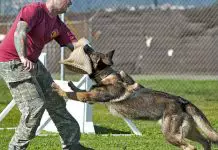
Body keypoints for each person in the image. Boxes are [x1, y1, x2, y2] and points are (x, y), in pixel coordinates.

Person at [0, 0, 90, 149]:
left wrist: (93, 56)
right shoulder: (34, 10)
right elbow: (19, 32)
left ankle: (72, 145)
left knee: (56, 100)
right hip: (12, 61)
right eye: (68, 0)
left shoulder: (57, 24)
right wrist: (23, 57)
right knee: (34, 106)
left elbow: (75, 47)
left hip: (31, 61)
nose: (71, 3)